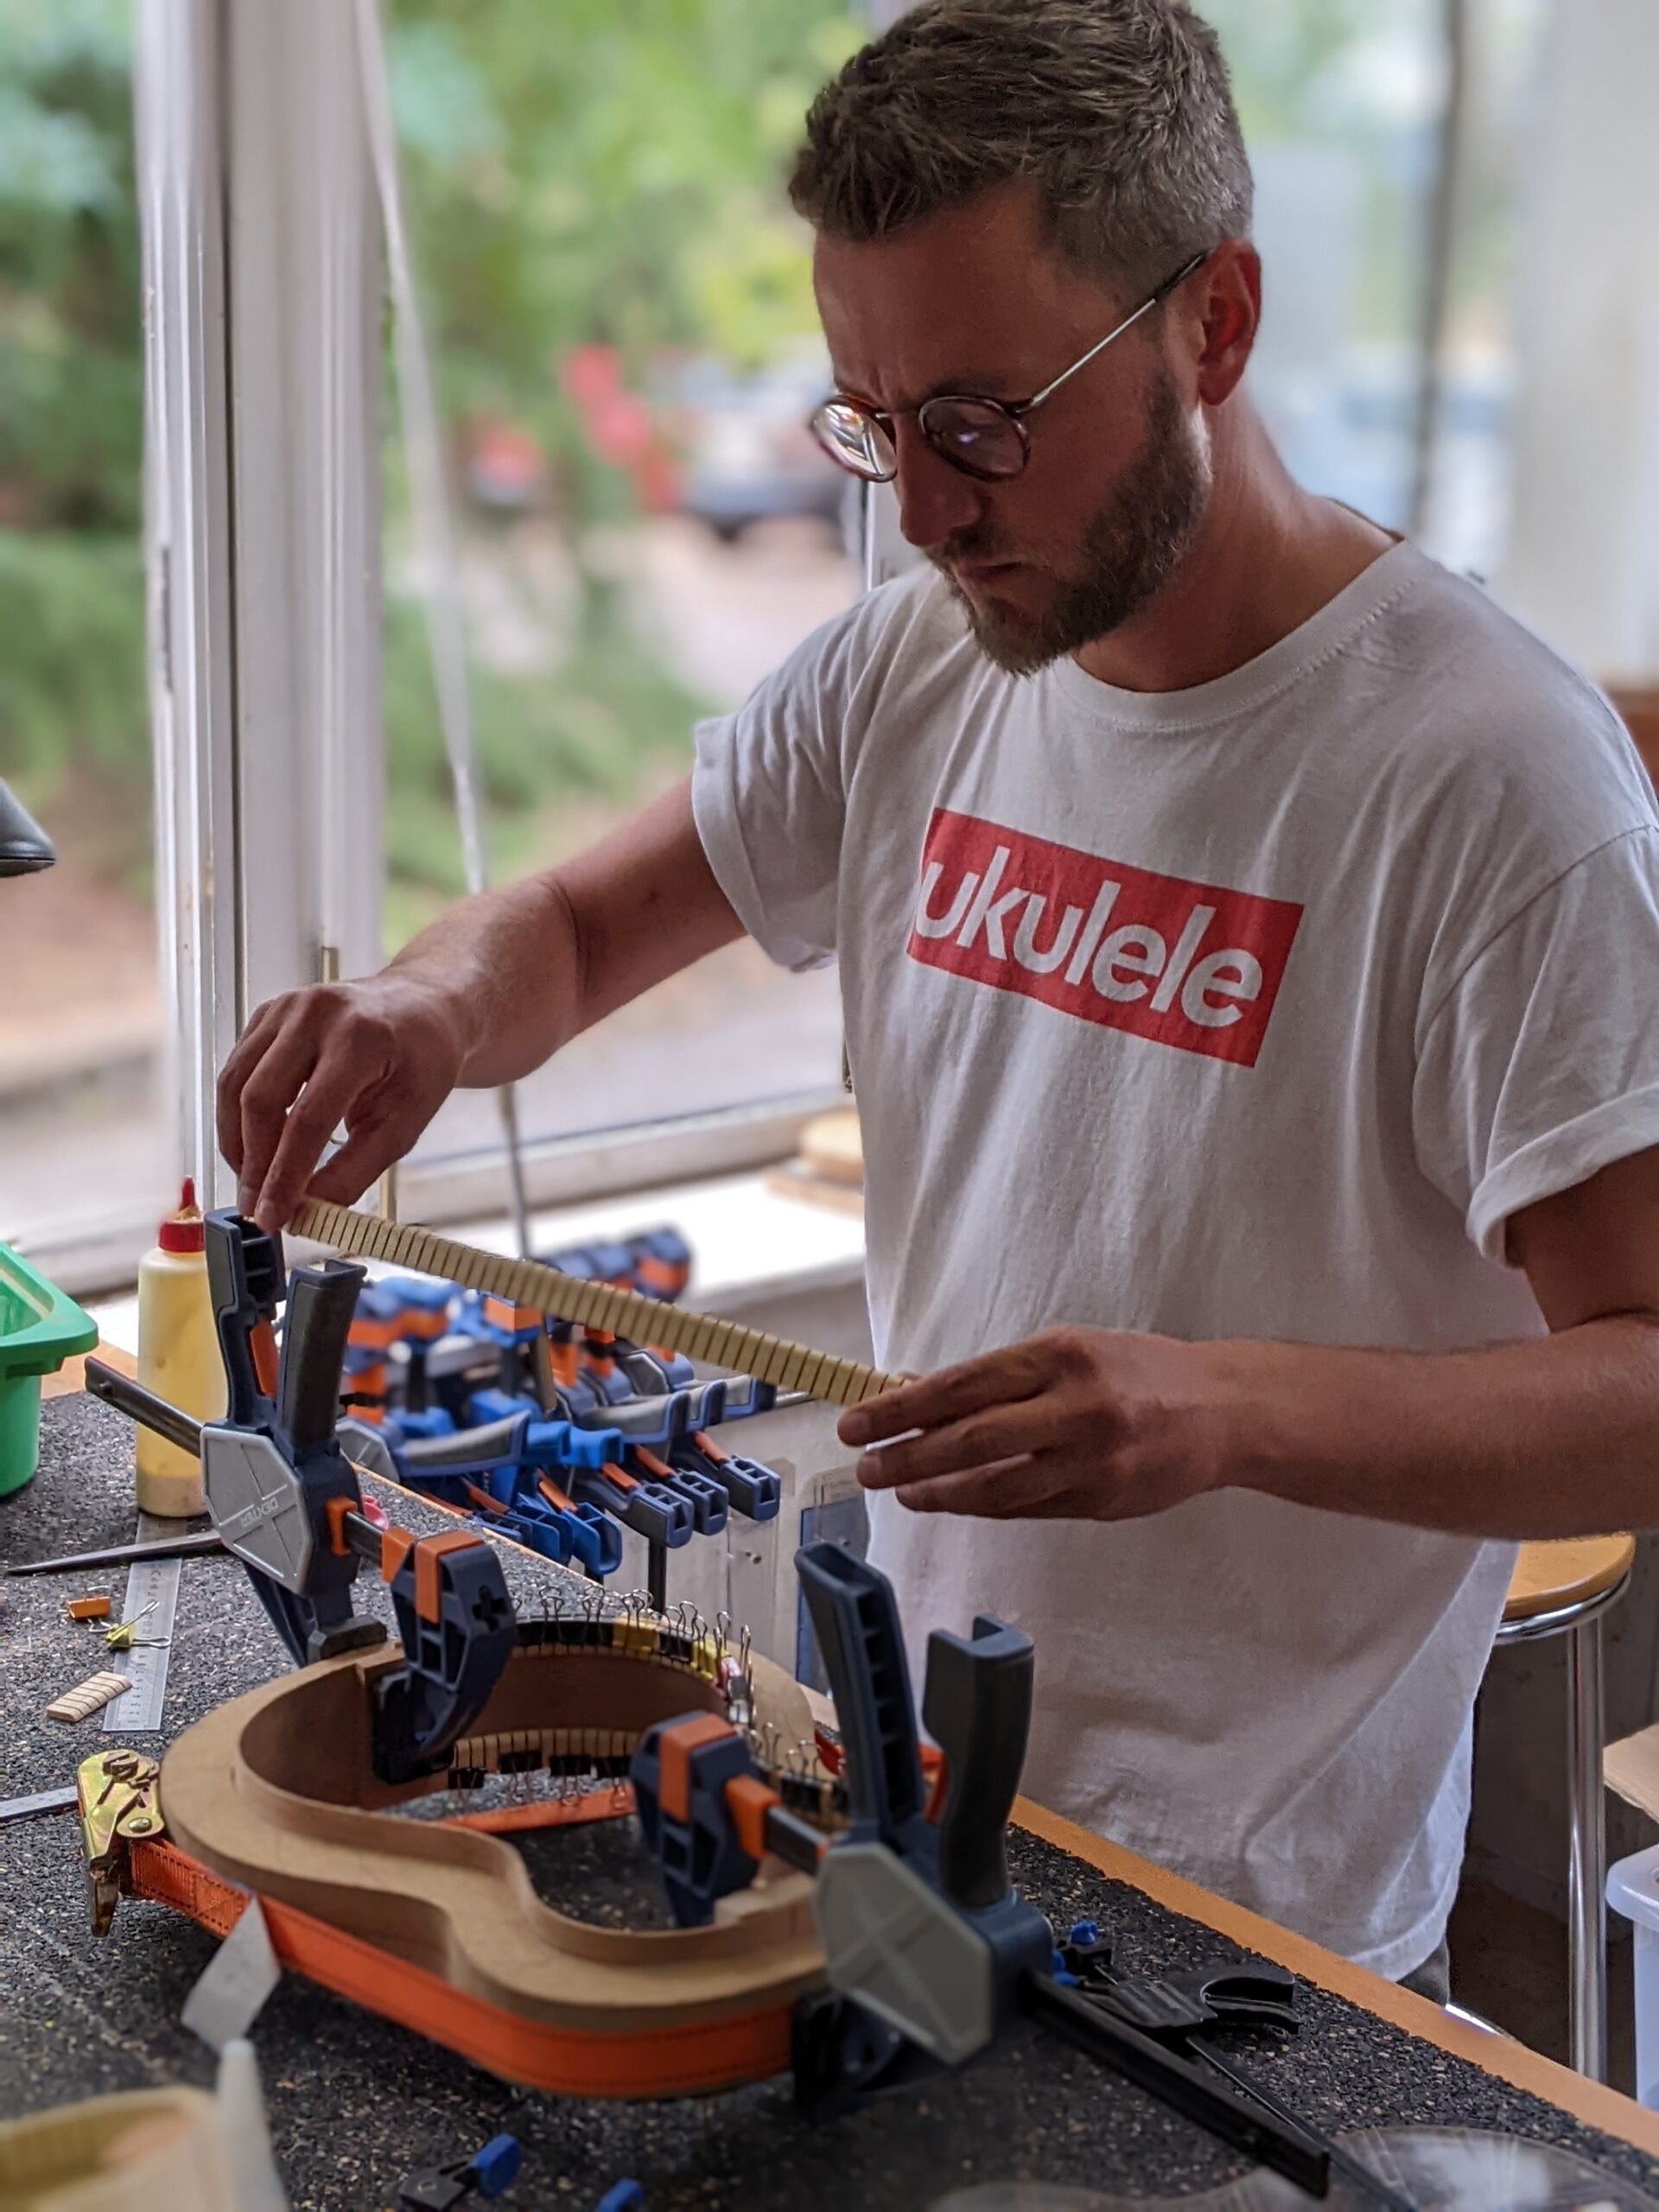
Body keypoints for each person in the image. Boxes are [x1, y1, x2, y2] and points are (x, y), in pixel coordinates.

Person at [217, 0, 1659, 1995]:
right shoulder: (920, 663)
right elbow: (563, 927)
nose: (924, 505)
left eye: (982, 419)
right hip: (901, 1801)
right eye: (873, 422)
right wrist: (425, 1009)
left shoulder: (1490, 784)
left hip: (1254, 1930)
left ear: (1212, 324)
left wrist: (1217, 1405)